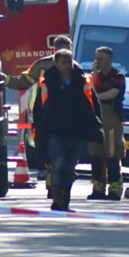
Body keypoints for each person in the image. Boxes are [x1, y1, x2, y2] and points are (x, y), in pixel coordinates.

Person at [0, 35, 72, 191]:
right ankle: (54, 184)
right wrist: (5, 79)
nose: (64, 56)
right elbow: (24, 81)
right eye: (61, 50)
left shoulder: (75, 68)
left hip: (69, 116)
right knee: (47, 149)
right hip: (45, 114)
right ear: (55, 50)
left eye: (67, 51)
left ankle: (61, 183)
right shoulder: (42, 65)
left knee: (67, 154)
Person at [32, 49, 103, 211]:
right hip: (54, 132)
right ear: (56, 65)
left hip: (77, 133)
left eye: (69, 62)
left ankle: (66, 201)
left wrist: (96, 128)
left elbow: (93, 107)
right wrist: (38, 130)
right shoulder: (47, 84)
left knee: (70, 167)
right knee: (58, 163)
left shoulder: (83, 83)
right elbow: (39, 110)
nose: (67, 66)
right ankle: (57, 202)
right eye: (63, 62)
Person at [88, 46, 125, 200]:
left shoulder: (118, 76)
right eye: (96, 58)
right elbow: (89, 89)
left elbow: (112, 94)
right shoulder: (94, 76)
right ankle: (98, 187)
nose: (97, 61)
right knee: (96, 152)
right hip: (95, 115)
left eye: (100, 59)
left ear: (109, 60)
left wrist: (95, 95)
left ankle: (115, 188)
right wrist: (94, 75)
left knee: (112, 152)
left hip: (111, 116)